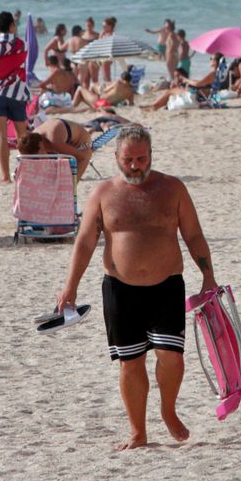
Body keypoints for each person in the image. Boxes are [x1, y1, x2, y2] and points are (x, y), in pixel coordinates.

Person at [54, 126, 218, 450]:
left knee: (171, 356)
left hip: (166, 285)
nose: (135, 166)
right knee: (131, 362)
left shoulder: (172, 188)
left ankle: (168, 410)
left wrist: (208, 276)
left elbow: (194, 235)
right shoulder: (103, 193)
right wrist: (70, 287)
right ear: (116, 157)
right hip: (120, 289)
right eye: (128, 160)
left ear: (151, 155)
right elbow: (85, 241)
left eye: (141, 159)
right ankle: (137, 431)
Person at [0, 12, 30, 183]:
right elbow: (22, 66)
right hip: (17, 93)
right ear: (12, 26)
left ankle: (5, 176)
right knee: (22, 136)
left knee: (0, 136)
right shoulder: (22, 44)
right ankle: (25, 174)